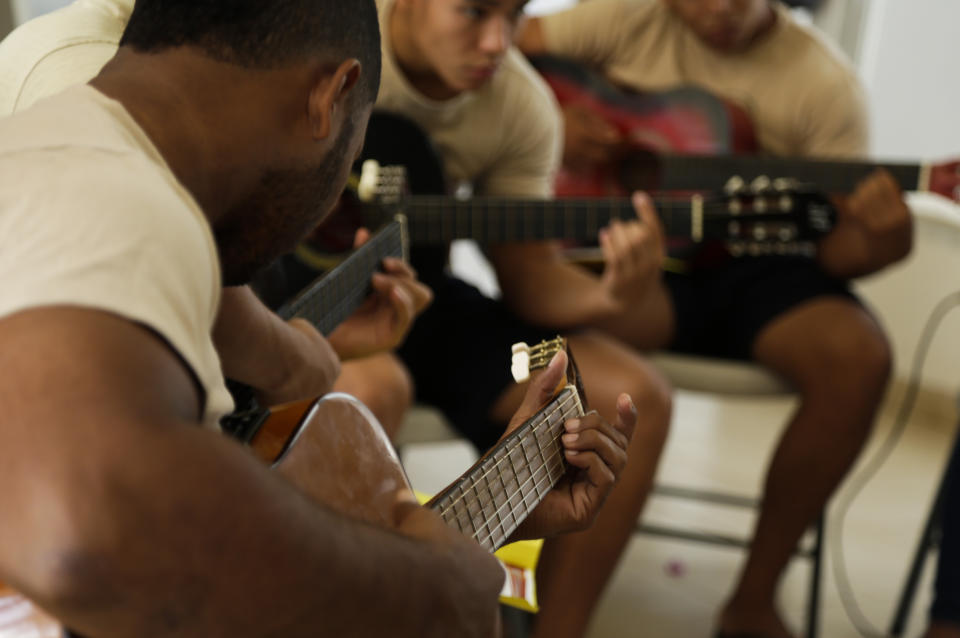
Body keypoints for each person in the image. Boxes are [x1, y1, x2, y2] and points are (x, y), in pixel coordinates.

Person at [0, 1, 639, 636]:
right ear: (331, 96)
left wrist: (487, 512)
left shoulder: (102, 170)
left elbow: (218, 582)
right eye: (351, 157)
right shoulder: (111, 190)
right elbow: (81, 538)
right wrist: (424, 593)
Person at [518, 1, 914, 636]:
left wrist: (881, 244)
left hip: (756, 267)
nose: (721, 8)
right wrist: (553, 119)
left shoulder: (824, 84)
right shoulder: (623, 15)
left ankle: (753, 601)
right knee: (537, 316)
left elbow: (836, 245)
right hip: (633, 253)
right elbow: (504, 56)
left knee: (858, 356)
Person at [356, 1, 674, 637]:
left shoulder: (522, 106)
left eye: (515, 12)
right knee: (369, 389)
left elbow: (528, 278)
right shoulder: (335, 38)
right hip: (316, 302)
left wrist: (610, 297)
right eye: (474, 11)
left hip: (426, 297)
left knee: (623, 394)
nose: (498, 41)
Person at [0, 0, 427, 436]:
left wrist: (312, 337)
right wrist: (287, 360)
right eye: (351, 153)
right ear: (330, 96)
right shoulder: (96, 107)